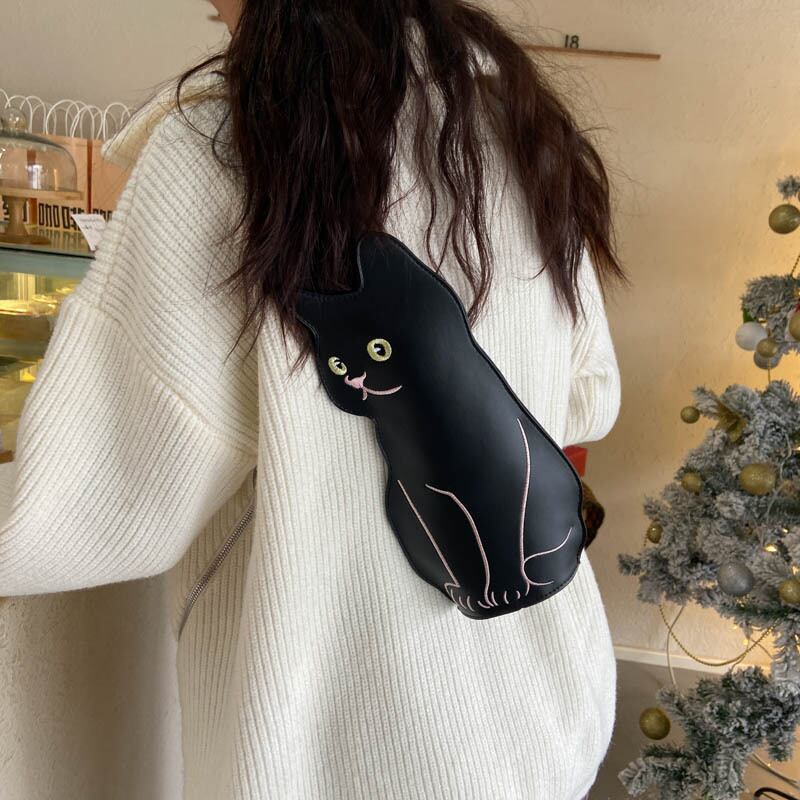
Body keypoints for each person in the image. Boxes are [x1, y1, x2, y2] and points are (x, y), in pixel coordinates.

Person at [0, 1, 626, 797]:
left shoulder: (223, 149)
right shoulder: (516, 124)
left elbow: (99, 499)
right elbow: (587, 398)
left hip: (348, 752)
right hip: (543, 717)